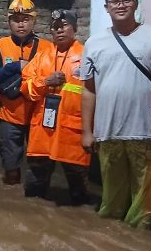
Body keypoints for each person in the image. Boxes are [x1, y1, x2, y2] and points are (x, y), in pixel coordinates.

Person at [79, 0, 151, 228]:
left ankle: (139, 237)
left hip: (146, 131)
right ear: (106, 7)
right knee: (112, 197)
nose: (121, 5)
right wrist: (87, 131)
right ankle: (112, 237)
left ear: (135, 4)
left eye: (126, 0)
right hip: (108, 131)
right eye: (115, 2)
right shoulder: (94, 43)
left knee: (146, 199)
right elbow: (88, 90)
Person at [21, 10, 90, 204]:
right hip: (43, 130)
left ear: (75, 28)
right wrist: (45, 81)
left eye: (64, 25)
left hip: (73, 131)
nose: (59, 30)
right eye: (55, 27)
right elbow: (25, 88)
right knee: (34, 192)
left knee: (79, 194)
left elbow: (96, 94)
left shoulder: (86, 56)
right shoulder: (42, 57)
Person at [0, 0, 52, 185]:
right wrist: (15, 66)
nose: (20, 24)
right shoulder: (1, 45)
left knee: (39, 162)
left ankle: (34, 197)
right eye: (16, 20)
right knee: (10, 163)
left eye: (25, 19)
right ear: (9, 22)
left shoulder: (47, 48)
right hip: (10, 115)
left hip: (37, 115)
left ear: (33, 21)